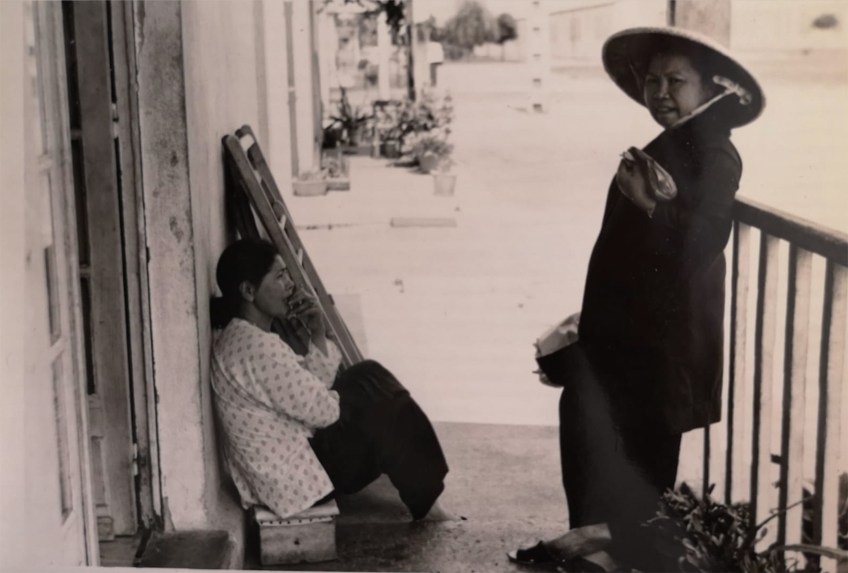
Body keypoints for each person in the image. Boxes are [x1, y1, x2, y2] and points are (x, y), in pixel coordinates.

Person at [509, 27, 764, 571]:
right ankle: (590, 543)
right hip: (626, 332)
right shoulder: (673, 143)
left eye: (676, 81)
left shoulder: (716, 151)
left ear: (711, 88)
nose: (661, 92)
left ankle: (605, 550)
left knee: (642, 460)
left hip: (664, 343)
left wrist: (651, 205)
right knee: (589, 430)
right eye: (652, 81)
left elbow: (704, 242)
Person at [210, 238, 449, 522]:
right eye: (280, 276)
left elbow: (313, 389)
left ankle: (425, 491)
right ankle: (429, 505)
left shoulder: (244, 336)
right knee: (383, 406)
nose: (290, 285)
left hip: (289, 466)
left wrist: (317, 333)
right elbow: (325, 412)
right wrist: (350, 401)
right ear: (249, 291)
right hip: (297, 483)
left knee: (366, 375)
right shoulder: (257, 348)